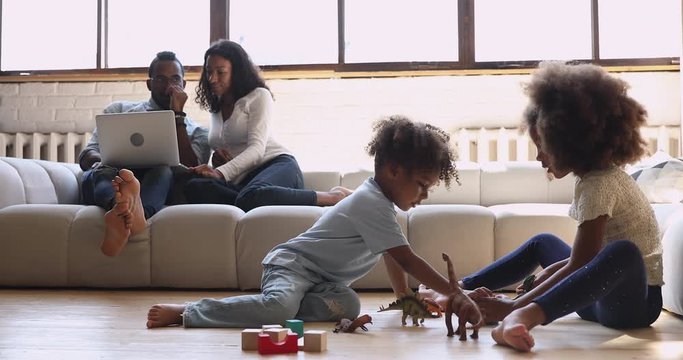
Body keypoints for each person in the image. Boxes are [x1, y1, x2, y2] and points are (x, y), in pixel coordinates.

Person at [145, 115, 483, 331]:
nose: (424, 195)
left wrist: (405, 296)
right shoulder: (370, 202)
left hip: (321, 285)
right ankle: (190, 312)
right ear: (394, 170)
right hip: (291, 267)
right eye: (422, 185)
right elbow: (407, 257)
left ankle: (278, 310)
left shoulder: (381, 205)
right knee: (279, 306)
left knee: (348, 304)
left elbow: (392, 256)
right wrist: (454, 292)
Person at [420, 62, 662, 352]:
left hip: (630, 308)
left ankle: (522, 313)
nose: (539, 158)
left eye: (543, 147)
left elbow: (583, 262)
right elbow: (585, 259)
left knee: (624, 252)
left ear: (569, 143)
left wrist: (514, 303)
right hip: (592, 298)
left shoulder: (601, 184)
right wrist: (554, 270)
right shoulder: (592, 180)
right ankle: (458, 288)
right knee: (543, 243)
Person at [183, 39, 350, 212]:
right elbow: (230, 152)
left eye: (221, 72)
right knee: (193, 187)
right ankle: (261, 198)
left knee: (252, 195)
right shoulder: (216, 107)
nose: (212, 79)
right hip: (245, 182)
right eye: (209, 72)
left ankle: (333, 197)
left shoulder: (258, 96)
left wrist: (220, 172)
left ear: (237, 72)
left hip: (276, 165)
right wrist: (217, 163)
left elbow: (257, 150)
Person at [79, 51, 210, 257]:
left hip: (156, 183)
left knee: (163, 170)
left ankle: (130, 214)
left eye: (175, 79)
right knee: (103, 172)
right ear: (149, 84)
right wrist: (100, 161)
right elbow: (88, 153)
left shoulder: (198, 131)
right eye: (160, 79)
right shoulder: (119, 110)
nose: (168, 86)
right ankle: (122, 209)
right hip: (115, 179)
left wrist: (177, 116)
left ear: (184, 84)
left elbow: (190, 168)